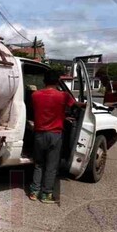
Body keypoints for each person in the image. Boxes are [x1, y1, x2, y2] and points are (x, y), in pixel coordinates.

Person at [29, 69, 86, 203]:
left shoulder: (35, 95)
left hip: (39, 134)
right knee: (51, 165)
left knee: (38, 164)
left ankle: (34, 192)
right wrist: (85, 105)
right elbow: (76, 105)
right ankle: (46, 194)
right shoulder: (64, 96)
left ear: (44, 81)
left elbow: (41, 109)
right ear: (58, 82)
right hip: (55, 135)